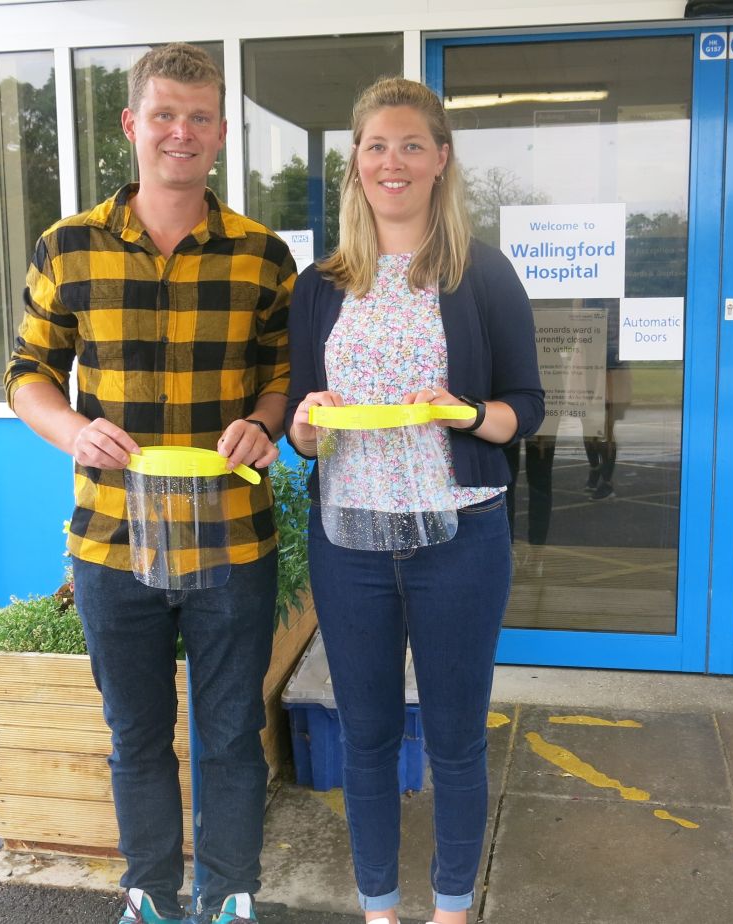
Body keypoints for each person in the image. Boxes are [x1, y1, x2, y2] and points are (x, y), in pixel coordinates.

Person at [4, 43, 295, 924]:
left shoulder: (261, 255)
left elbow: (281, 376)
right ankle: (152, 894)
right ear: (132, 125)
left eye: (199, 116)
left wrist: (268, 422)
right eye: (164, 114)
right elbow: (27, 372)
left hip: (232, 537)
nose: (182, 131)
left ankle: (230, 893)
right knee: (134, 735)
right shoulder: (69, 246)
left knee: (232, 733)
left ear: (220, 133)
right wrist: (70, 429)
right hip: (110, 538)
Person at [285, 77, 543, 924]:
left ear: (441, 159)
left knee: (456, 740)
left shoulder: (482, 273)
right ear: (354, 163)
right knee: (365, 739)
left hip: (460, 538)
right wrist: (307, 428)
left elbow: (524, 407)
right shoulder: (321, 284)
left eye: (409, 145)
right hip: (349, 538)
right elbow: (304, 417)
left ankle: (453, 907)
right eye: (375, 146)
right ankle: (379, 908)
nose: (391, 161)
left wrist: (465, 413)